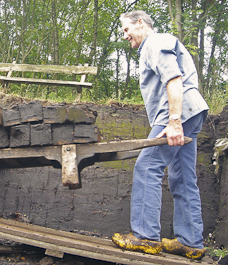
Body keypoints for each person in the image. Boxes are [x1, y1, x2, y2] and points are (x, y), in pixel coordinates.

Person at [111, 10, 209, 260]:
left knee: (147, 166)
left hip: (179, 112)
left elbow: (174, 79)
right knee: (184, 176)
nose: (125, 35)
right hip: (193, 111)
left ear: (140, 23)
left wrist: (174, 121)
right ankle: (191, 242)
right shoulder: (160, 43)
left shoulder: (154, 42)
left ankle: (145, 236)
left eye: (126, 29)